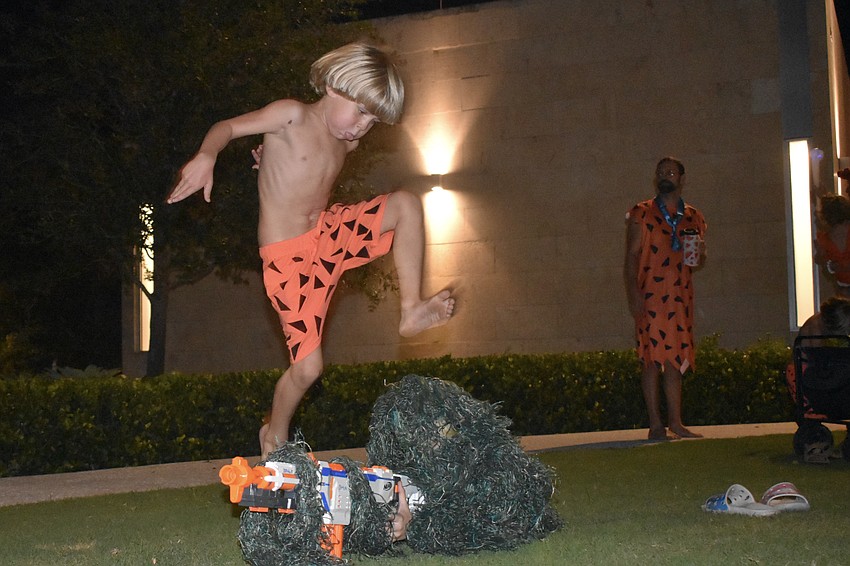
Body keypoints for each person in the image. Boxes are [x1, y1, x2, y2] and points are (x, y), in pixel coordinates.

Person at [167, 42, 455, 458]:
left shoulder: (348, 143)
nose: (360, 128)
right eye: (360, 111)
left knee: (407, 204)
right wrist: (207, 156)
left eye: (372, 121)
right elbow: (226, 127)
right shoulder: (290, 114)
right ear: (335, 85)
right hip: (290, 259)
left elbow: (303, 168)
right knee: (308, 368)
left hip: (328, 233)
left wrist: (270, 160)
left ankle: (411, 308)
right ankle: (274, 434)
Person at [624, 157, 707, 441]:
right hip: (651, 296)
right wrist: (633, 295)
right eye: (660, 171)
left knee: (676, 359)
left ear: (682, 178)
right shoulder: (642, 213)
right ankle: (656, 424)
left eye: (670, 172)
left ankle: (677, 422)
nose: (664, 176)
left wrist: (700, 254)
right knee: (650, 359)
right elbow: (631, 257)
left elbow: (695, 258)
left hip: (680, 297)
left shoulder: (693, 216)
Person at [814, 193, 850, 298]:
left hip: (842, 288)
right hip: (842, 288)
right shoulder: (823, 239)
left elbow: (821, 260)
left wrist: (833, 266)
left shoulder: (823, 239)